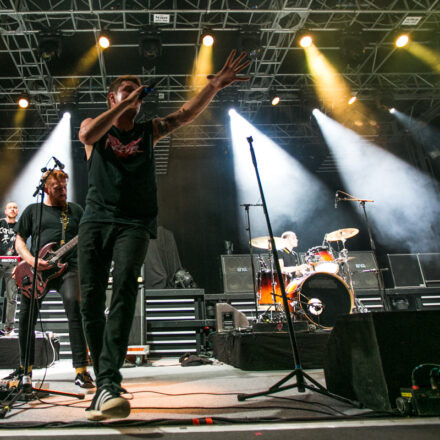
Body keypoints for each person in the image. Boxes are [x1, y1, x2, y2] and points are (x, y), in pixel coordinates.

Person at [77, 50, 250, 420]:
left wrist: (215, 87)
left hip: (135, 223)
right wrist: (123, 106)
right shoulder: (95, 126)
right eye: (127, 90)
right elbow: (89, 134)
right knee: (90, 299)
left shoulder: (148, 130)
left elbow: (185, 115)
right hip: (95, 221)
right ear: (112, 97)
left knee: (124, 288)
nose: (136, 95)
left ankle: (107, 380)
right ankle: (103, 378)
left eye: (139, 92)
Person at [3, 170, 94, 389]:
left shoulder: (76, 210)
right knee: (26, 317)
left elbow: (89, 236)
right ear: (46, 188)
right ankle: (26, 370)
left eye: (65, 187)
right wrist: (32, 261)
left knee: (75, 310)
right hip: (37, 271)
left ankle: (81, 370)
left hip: (69, 268)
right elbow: (19, 241)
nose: (63, 191)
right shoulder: (33, 211)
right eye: (57, 188)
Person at [0, 201, 19, 336]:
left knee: (12, 297)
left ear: (17, 211)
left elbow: (23, 247)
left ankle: (9, 329)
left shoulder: (21, 226)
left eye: (15, 208)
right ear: (5, 211)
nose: (12, 209)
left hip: (13, 265)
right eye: (10, 208)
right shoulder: (0, 223)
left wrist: (19, 266)